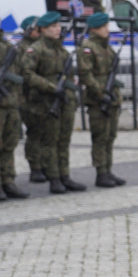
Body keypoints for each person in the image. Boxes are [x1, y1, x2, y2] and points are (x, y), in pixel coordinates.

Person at [20, 11, 86, 194]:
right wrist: (50, 87)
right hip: (46, 102)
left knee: (64, 141)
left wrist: (71, 92)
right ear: (43, 29)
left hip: (64, 101)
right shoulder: (36, 49)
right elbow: (27, 74)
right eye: (52, 27)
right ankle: (54, 179)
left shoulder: (62, 50)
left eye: (58, 26)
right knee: (50, 141)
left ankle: (65, 176)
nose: (57, 29)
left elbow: (70, 76)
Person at [76, 12, 125, 187]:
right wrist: (100, 93)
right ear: (95, 29)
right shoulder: (88, 47)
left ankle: (108, 169)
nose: (107, 29)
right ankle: (100, 172)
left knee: (110, 136)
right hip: (98, 99)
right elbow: (86, 75)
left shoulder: (106, 46)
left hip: (111, 97)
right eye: (104, 27)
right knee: (100, 137)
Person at [16, 16, 46, 183]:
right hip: (28, 98)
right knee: (34, 133)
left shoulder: (41, 47)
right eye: (36, 30)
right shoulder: (23, 49)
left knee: (45, 134)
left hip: (42, 96)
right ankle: (35, 167)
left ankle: (46, 165)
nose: (39, 32)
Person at [0, 30, 29, 200]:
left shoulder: (9, 46)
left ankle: (8, 180)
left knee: (9, 145)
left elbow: (19, 72)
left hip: (11, 102)